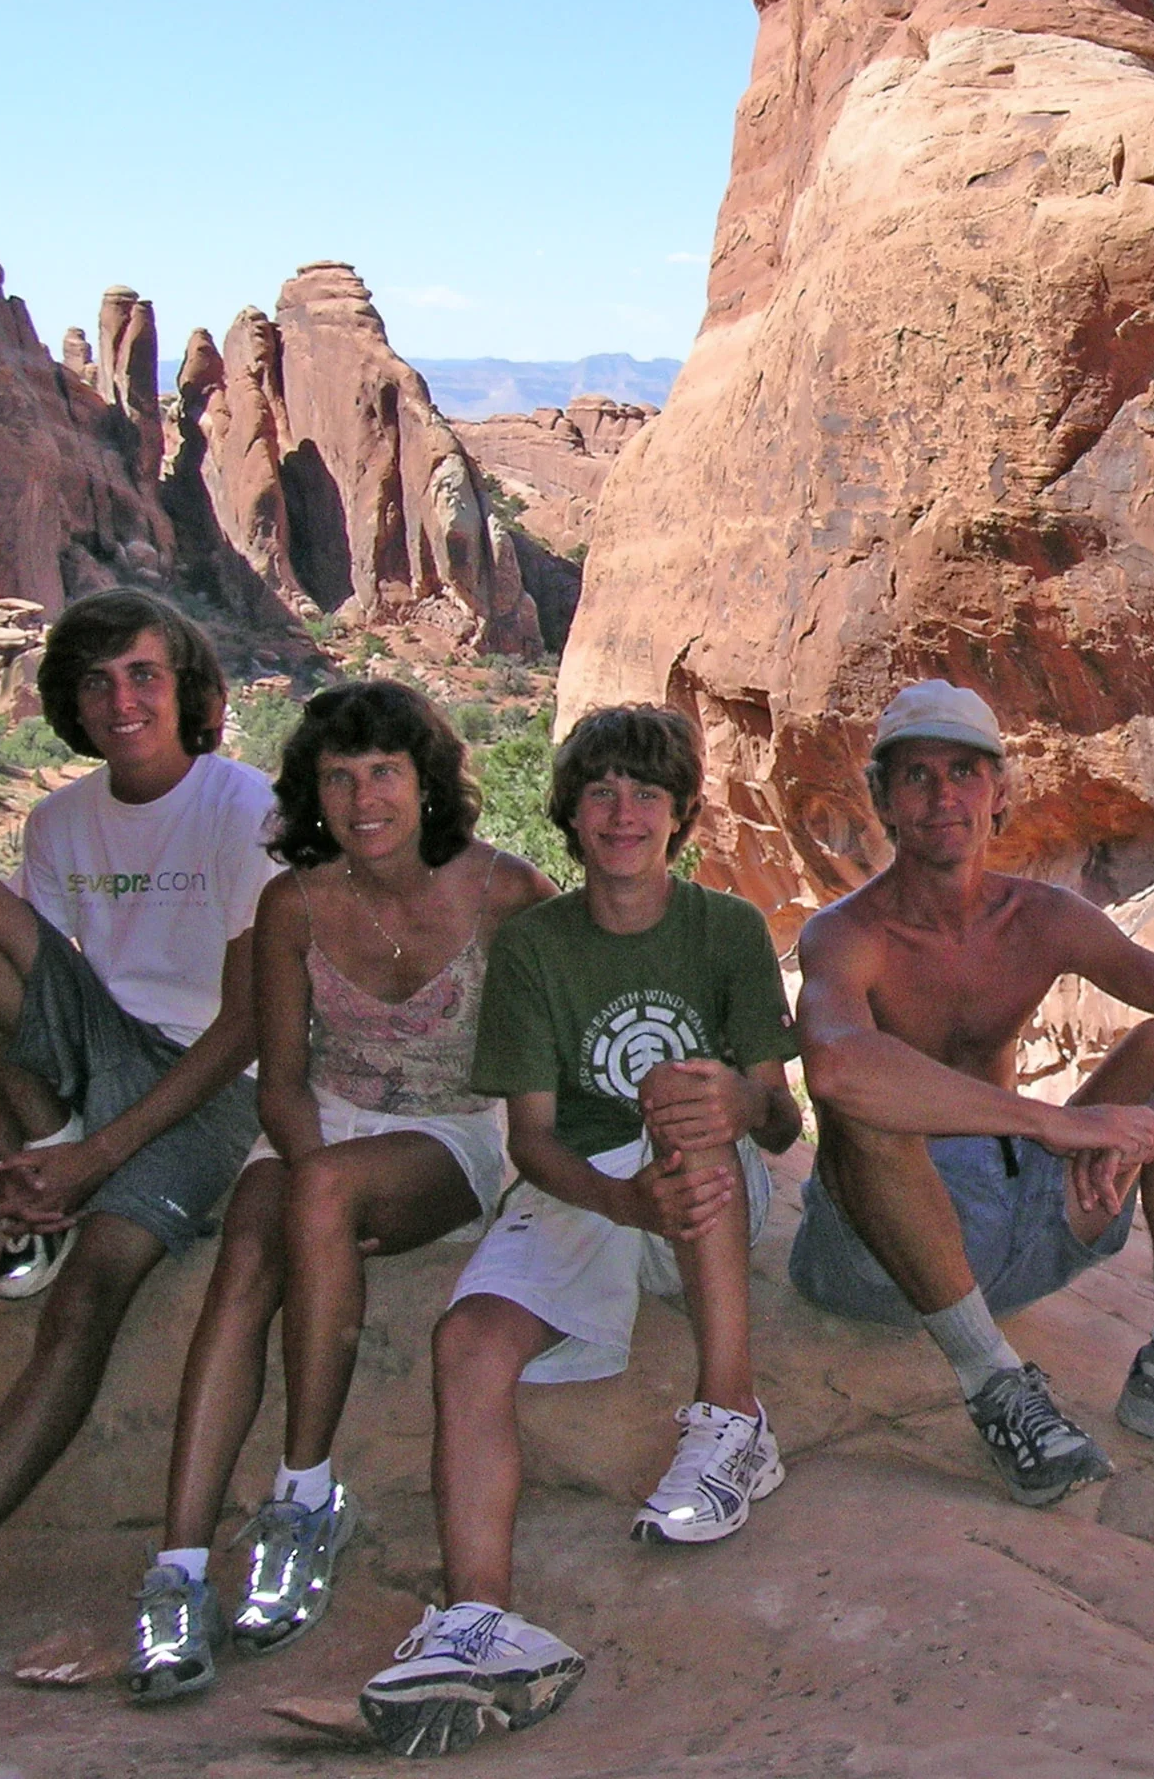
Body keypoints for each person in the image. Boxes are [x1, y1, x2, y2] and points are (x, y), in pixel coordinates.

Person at [0, 590, 277, 1687]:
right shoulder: (60, 821)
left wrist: (101, 1156)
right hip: (102, 1053)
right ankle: (44, 1164)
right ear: (71, 704)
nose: (120, 699)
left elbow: (250, 1021)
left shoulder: (241, 805)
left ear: (190, 692)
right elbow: (21, 996)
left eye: (143, 675)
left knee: (87, 1297)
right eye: (95, 681)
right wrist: (23, 1144)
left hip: (213, 1083)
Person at [354, 704, 801, 1759]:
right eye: (600, 790)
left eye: (647, 792)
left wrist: (731, 1105)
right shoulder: (538, 946)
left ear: (681, 815)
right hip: (588, 1188)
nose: (623, 812)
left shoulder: (725, 929)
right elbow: (537, 1138)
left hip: (709, 1172)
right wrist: (616, 1203)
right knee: (466, 1340)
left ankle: (732, 1416)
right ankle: (477, 1620)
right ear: (570, 809)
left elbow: (777, 1114)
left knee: (687, 1102)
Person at [782, 680, 1154, 1508]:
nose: (943, 798)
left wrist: (1153, 1127)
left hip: (1023, 1227)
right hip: (885, 1258)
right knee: (868, 1099)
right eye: (916, 777)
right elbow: (833, 1069)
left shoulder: (1042, 917)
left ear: (1000, 793)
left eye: (964, 774)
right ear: (883, 802)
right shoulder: (846, 935)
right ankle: (994, 1383)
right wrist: (1055, 1125)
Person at [125, 682, 557, 1702]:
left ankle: (305, 1495)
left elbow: (564, 1028)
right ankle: (177, 1569)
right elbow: (279, 1076)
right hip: (324, 1118)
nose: (363, 797)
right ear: (312, 793)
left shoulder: (505, 891)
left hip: (446, 1134)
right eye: (338, 777)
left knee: (309, 1203)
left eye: (384, 772)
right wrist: (317, 1176)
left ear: (425, 782)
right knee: (251, 1246)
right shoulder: (295, 902)